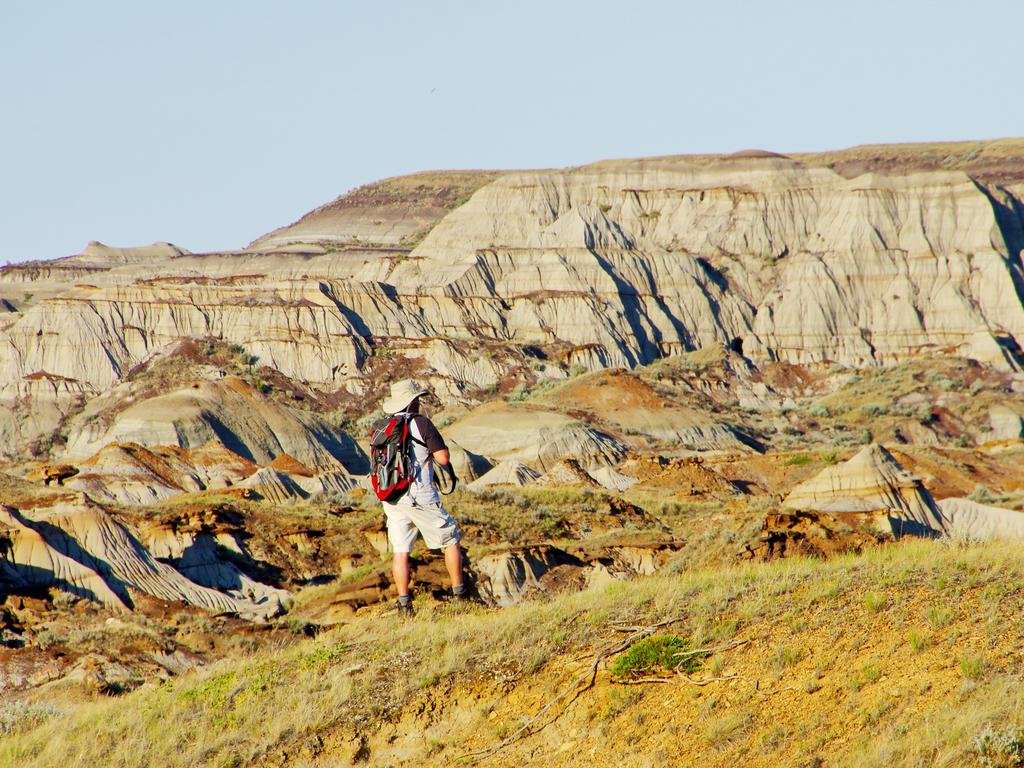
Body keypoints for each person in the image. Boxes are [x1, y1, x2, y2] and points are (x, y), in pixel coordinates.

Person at [378, 379, 464, 616]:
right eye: (417, 399)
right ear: (412, 401)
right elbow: (443, 459)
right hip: (419, 493)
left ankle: (404, 604)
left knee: (401, 549)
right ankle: (460, 595)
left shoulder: (381, 426)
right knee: (450, 538)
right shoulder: (421, 424)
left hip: (392, 496)